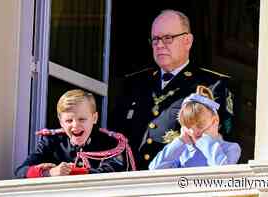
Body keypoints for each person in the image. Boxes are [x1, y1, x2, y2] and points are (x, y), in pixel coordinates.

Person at [113, 9, 235, 170]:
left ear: (187, 41)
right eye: (155, 39)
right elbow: (115, 139)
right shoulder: (134, 84)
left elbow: (219, 140)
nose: (160, 45)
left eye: (168, 38)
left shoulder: (213, 85)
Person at [15, 89, 125, 178]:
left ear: (94, 118)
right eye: (69, 121)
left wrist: (72, 172)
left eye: (82, 119)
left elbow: (112, 174)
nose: (75, 125)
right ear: (60, 122)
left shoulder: (111, 143)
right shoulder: (52, 142)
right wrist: (49, 172)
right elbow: (21, 171)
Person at [149, 86, 241, 169]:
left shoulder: (230, 148)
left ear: (214, 121)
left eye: (200, 125)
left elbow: (223, 171)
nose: (193, 131)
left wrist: (206, 139)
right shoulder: (182, 151)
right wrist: (181, 140)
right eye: (188, 126)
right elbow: (154, 169)